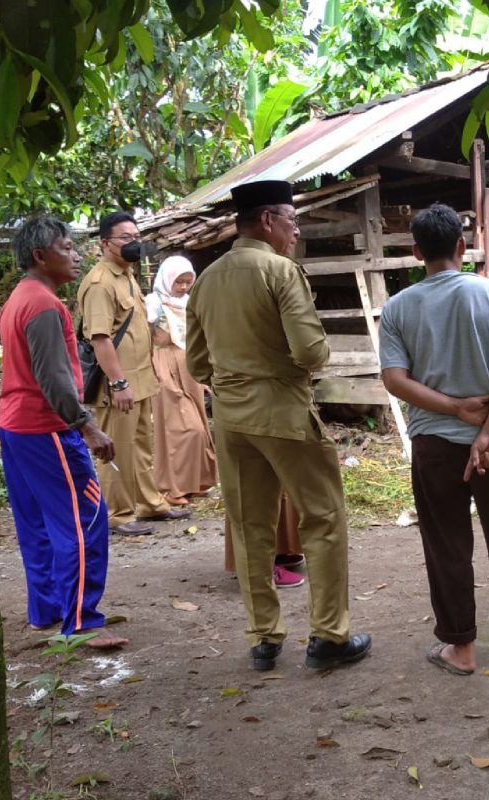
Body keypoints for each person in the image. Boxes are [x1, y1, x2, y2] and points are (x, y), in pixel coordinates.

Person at [186, 179, 371, 671]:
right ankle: (330, 635)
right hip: (283, 413)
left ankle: (264, 637)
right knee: (324, 517)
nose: (296, 230)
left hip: (230, 417)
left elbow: (197, 364)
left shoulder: (207, 279)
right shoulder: (280, 271)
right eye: (292, 220)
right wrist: (301, 364)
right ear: (268, 220)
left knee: (250, 527)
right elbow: (310, 351)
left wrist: (235, 376)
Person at [379, 203, 489, 674]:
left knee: (447, 546)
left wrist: (451, 408)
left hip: (434, 445)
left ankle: (460, 649)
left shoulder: (398, 308)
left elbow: (395, 380)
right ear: (462, 247)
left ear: (416, 251)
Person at [0, 216, 128, 649]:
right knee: (83, 519)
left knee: (35, 522)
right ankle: (81, 621)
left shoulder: (19, 297)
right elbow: (53, 377)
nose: (76, 255)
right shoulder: (43, 305)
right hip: (46, 427)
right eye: (67, 248)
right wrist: (87, 427)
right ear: (40, 256)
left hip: (15, 426)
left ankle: (48, 610)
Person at [77, 211, 191, 535]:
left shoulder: (126, 275)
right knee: (118, 448)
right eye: (126, 238)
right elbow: (100, 339)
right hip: (119, 383)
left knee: (141, 445)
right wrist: (118, 382)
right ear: (105, 243)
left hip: (141, 378)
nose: (134, 243)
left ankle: (150, 504)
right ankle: (118, 514)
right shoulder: (99, 283)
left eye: (136, 237)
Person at [145, 255, 217, 505]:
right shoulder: (153, 303)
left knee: (200, 425)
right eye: (179, 282)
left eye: (188, 281)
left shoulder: (189, 302)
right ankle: (171, 487)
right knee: (181, 427)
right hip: (164, 365)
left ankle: (194, 482)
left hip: (190, 366)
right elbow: (142, 335)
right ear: (166, 279)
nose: (184, 287)